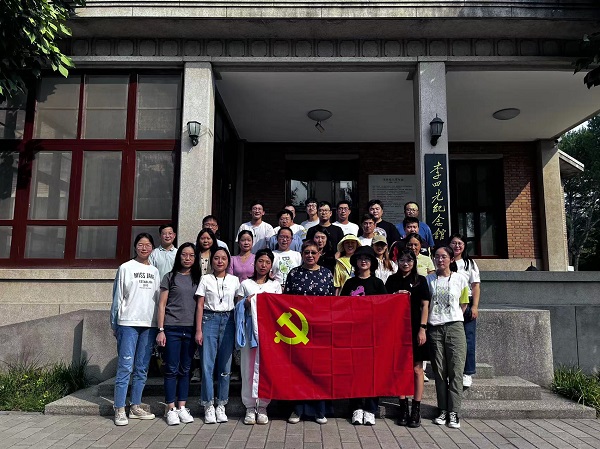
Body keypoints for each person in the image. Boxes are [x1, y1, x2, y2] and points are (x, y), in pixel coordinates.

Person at [110, 233, 160, 426]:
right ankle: (119, 407)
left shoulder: (155, 271)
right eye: (140, 244)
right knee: (125, 366)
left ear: (152, 248)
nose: (144, 248)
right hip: (128, 323)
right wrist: (115, 323)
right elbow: (117, 297)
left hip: (149, 324)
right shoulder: (125, 268)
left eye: (147, 245)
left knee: (142, 367)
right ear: (135, 247)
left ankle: (135, 406)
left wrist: (159, 326)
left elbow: (158, 300)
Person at [284, 240, 335, 424]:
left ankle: (319, 410)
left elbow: (332, 302)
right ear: (302, 254)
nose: (310, 255)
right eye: (307, 252)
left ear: (319, 254)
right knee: (299, 369)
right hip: (299, 330)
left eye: (314, 252)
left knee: (320, 369)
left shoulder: (327, 274)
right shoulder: (294, 273)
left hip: (320, 330)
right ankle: (297, 409)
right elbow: (286, 302)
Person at [340, 245, 386, 426]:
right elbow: (341, 307)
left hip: (372, 334)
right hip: (353, 334)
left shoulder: (378, 284)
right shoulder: (350, 284)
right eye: (360, 258)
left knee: (373, 372)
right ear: (356, 262)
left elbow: (386, 307)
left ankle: (371, 408)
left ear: (372, 262)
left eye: (367, 258)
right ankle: (356, 407)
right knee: (355, 371)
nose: (363, 261)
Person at [156, 243, 201, 425]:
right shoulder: (170, 277)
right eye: (184, 254)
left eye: (191, 255)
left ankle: (182, 406)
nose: (187, 258)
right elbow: (161, 304)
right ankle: (170, 408)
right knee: (171, 369)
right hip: (172, 328)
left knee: (186, 369)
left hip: (190, 329)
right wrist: (161, 330)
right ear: (179, 256)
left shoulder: (199, 279)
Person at [236, 249, 282, 425]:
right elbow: (237, 307)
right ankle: (249, 406)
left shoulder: (275, 286)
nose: (263, 265)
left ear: (271, 266)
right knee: (248, 368)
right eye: (261, 261)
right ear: (255, 263)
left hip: (268, 332)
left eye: (267, 262)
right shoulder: (246, 284)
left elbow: (279, 309)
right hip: (250, 331)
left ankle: (263, 406)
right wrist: (246, 302)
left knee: (266, 368)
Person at [385, 249, 430, 428]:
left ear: (414, 262)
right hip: (397, 328)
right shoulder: (392, 280)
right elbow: (384, 303)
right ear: (397, 261)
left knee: (417, 369)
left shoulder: (421, 280)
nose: (406, 263)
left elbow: (425, 305)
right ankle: (402, 406)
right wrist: (395, 296)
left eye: (409, 260)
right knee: (400, 367)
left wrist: (422, 329)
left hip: (415, 327)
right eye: (402, 260)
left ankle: (416, 408)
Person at [195, 247, 240, 424]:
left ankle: (221, 403)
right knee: (207, 365)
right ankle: (208, 404)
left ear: (228, 262)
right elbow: (200, 305)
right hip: (209, 320)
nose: (220, 261)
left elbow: (238, 304)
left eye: (223, 258)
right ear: (211, 261)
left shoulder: (234, 280)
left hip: (229, 321)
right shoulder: (205, 279)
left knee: (225, 366)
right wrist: (198, 330)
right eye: (216, 258)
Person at [427, 246, 469, 429]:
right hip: (435, 328)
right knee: (440, 371)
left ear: (451, 259)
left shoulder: (460, 279)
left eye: (443, 257)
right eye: (437, 256)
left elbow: (464, 304)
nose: (440, 260)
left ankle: (454, 411)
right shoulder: (429, 279)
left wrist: (452, 318)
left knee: (456, 371)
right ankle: (442, 409)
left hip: (454, 327)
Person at [449, 233, 481, 389]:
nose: (457, 246)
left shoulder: (469, 263)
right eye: (454, 243)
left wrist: (474, 306)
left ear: (464, 246)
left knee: (468, 339)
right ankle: (451, 371)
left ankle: (467, 372)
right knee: (450, 340)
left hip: (466, 303)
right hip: (448, 303)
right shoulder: (443, 260)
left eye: (460, 243)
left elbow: (475, 286)